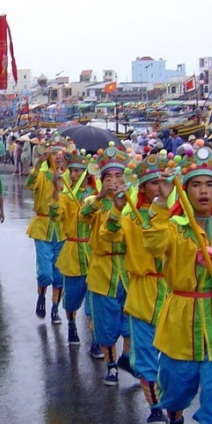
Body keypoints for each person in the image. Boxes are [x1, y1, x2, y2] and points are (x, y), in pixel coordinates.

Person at [144, 146, 212, 424]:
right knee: (174, 390)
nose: (203, 190)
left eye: (209, 184)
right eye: (196, 184)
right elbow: (153, 245)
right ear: (185, 189)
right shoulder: (173, 228)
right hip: (179, 321)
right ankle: (175, 420)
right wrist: (161, 202)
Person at [99, 151, 171, 424]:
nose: (159, 188)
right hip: (142, 290)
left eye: (163, 183)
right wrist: (117, 208)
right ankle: (155, 408)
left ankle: (173, 408)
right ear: (142, 188)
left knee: (175, 359)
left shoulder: (176, 218)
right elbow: (108, 235)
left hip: (173, 291)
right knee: (146, 355)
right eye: (153, 183)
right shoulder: (129, 217)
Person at [82, 146, 131, 385]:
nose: (114, 181)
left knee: (131, 320)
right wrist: (101, 197)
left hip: (129, 267)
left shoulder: (133, 202)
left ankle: (127, 357)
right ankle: (111, 366)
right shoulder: (95, 201)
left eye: (118, 175)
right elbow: (83, 215)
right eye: (108, 177)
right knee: (105, 322)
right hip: (102, 269)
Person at [52, 149, 96, 346]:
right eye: (72, 171)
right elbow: (55, 215)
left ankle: (95, 339)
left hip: (95, 253)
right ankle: (71, 324)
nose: (75, 174)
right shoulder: (66, 195)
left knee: (95, 301)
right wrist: (56, 189)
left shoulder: (97, 195)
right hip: (73, 251)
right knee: (72, 297)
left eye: (79, 171)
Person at [26, 137, 66, 320]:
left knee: (59, 274)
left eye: (61, 154)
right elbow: (29, 184)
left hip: (63, 230)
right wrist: (38, 164)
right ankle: (41, 295)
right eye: (54, 154)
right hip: (42, 227)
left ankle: (55, 308)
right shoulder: (42, 176)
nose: (58, 157)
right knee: (45, 272)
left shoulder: (69, 179)